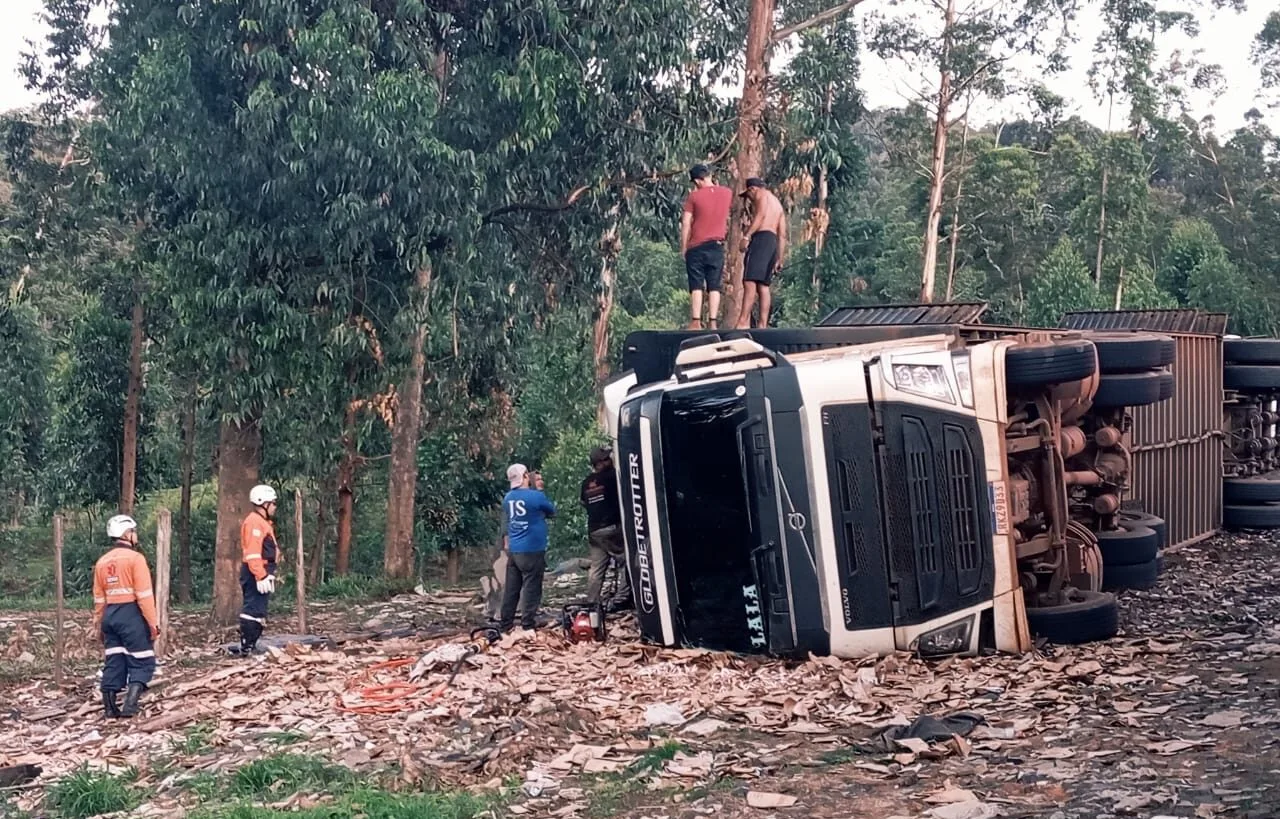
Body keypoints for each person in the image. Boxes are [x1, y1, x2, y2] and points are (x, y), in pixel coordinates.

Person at [92, 514, 159, 718]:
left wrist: (98, 625)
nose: (135, 535)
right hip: (131, 613)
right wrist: (153, 623)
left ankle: (110, 708)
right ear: (126, 534)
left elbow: (99, 599)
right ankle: (130, 705)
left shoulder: (102, 562)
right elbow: (144, 595)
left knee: (114, 659)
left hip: (110, 615)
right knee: (142, 659)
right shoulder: (136, 559)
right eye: (133, 532)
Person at [499, 463, 557, 632]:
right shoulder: (535, 497)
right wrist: (539, 492)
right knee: (532, 588)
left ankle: (506, 624)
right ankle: (527, 624)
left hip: (515, 550)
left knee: (512, 588)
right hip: (532, 549)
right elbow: (552, 511)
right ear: (525, 476)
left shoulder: (508, 498)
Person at [680, 164, 733, 330]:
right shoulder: (727, 193)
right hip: (716, 246)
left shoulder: (694, 197)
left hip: (697, 245)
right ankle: (713, 321)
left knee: (696, 284)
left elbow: (686, 223)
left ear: (697, 180)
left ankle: (696, 320)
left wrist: (684, 247)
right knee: (714, 284)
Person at [580, 446, 632, 612]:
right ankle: (621, 599)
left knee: (597, 568)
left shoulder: (586, 482)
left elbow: (583, 503)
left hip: (594, 531)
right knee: (627, 560)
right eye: (607, 458)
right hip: (611, 529)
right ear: (600, 463)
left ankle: (592, 604)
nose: (611, 460)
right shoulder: (613, 477)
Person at [734, 177, 787, 330]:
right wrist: (779, 257)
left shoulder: (761, 195)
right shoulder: (778, 204)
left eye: (748, 196)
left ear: (752, 189)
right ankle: (763, 324)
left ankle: (743, 321)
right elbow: (782, 234)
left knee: (749, 281)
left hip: (761, 238)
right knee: (763, 285)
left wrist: (747, 236)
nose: (749, 200)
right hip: (772, 242)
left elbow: (761, 215)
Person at [239, 484, 280, 655]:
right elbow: (253, 553)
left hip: (261, 572)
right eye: (273, 503)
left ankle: (251, 645)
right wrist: (261, 575)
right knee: (253, 610)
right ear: (264, 503)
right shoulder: (255, 523)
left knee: (259, 610)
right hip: (256, 573)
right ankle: (247, 646)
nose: (275, 507)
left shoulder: (261, 522)